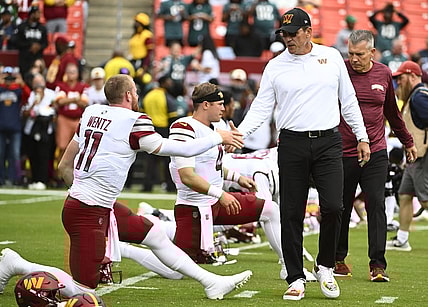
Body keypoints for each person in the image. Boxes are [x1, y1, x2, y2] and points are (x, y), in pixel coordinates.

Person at [0, 74, 252, 300]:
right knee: (85, 290)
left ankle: (211, 282)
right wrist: (218, 137)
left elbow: (65, 165)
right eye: (136, 92)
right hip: (89, 210)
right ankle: (16, 263)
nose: (138, 96)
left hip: (93, 204)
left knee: (154, 234)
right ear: (129, 95)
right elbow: (179, 149)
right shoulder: (133, 120)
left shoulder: (91, 112)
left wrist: (82, 192)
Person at [235, 7, 370, 301]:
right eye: (284, 34)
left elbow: (347, 100)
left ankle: (324, 266)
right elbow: (261, 107)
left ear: (309, 31)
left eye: (293, 33)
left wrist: (362, 137)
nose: (288, 39)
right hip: (292, 143)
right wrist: (240, 133)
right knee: (291, 212)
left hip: (328, 141)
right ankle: (295, 276)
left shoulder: (332, 57)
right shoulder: (275, 66)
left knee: (334, 206)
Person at [168, 82, 286, 281]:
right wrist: (221, 194)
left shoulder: (217, 127)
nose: (224, 108)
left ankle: (288, 266)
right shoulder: (183, 127)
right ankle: (145, 234)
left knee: (270, 209)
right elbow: (187, 176)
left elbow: (212, 164)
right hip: (194, 207)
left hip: (215, 202)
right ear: (205, 105)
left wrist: (237, 178)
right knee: (177, 271)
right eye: (219, 104)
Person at [334, 30, 416, 282]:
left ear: (372, 52)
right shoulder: (339, 71)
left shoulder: (383, 73)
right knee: (340, 206)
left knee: (377, 205)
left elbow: (392, 112)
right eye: (350, 54)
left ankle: (377, 265)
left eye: (359, 54)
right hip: (343, 150)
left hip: (376, 150)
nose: (354, 59)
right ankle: (337, 259)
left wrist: (407, 141)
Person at [386, 61, 428, 252]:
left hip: (423, 156)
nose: (398, 83)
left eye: (401, 78)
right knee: (404, 196)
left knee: (425, 200)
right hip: (415, 158)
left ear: (412, 76)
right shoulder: (416, 96)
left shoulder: (419, 97)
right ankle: (402, 239)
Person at [141, 75, 179, 192]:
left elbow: (142, 113)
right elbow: (173, 117)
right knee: (168, 160)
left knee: (150, 161)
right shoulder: (167, 97)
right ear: (163, 83)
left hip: (149, 129)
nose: (170, 84)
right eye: (168, 82)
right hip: (163, 129)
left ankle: (147, 185)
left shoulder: (148, 96)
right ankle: (170, 186)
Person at [21, 73, 57, 190]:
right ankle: (34, 179)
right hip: (31, 128)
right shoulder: (30, 95)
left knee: (44, 155)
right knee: (32, 154)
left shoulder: (51, 94)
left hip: (45, 129)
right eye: (36, 84)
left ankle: (43, 180)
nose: (38, 86)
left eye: (40, 83)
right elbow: (25, 112)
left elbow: (54, 109)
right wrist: (34, 104)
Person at [53, 62, 89, 162]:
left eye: (73, 72)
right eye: (69, 72)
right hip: (64, 118)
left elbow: (84, 103)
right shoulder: (61, 86)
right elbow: (60, 101)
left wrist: (68, 99)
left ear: (77, 74)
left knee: (79, 147)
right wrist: (75, 99)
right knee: (62, 146)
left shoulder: (83, 86)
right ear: (66, 73)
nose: (71, 74)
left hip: (79, 119)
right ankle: (60, 171)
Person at [0, 66, 30, 187]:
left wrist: (21, 83)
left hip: (15, 127)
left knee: (15, 154)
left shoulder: (17, 91)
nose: (8, 81)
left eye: (10, 78)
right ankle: (1, 178)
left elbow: (28, 96)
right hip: (1, 127)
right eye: (6, 78)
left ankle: (13, 178)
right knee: (0, 154)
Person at [10, 3, 48, 77]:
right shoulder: (22, 27)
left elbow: (45, 43)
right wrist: (30, 45)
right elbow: (16, 41)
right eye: (37, 13)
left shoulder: (42, 28)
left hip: (37, 58)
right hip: (24, 58)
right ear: (32, 14)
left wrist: (39, 46)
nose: (39, 15)